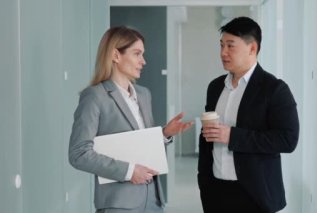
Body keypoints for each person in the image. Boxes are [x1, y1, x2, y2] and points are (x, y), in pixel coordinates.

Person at [69, 26, 193, 213]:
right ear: (116, 55)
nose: (143, 61)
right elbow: (79, 154)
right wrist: (129, 172)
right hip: (119, 204)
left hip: (153, 200)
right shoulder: (94, 97)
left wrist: (164, 134)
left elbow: (140, 145)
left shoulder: (143, 94)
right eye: (137, 54)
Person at [198, 17, 299, 213]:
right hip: (216, 193)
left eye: (230, 46)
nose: (223, 52)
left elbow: (288, 140)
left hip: (255, 196)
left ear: (252, 48)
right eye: (221, 45)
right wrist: (204, 182)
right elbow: (207, 139)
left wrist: (232, 136)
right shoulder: (215, 87)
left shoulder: (275, 89)